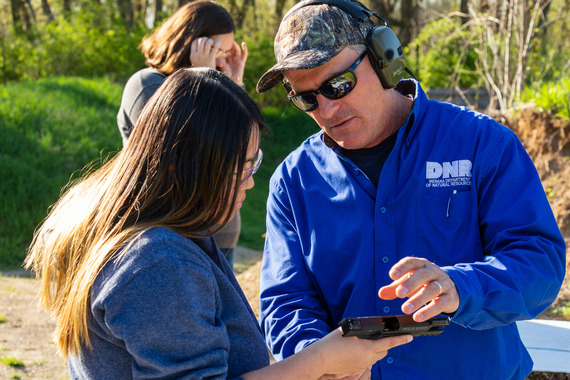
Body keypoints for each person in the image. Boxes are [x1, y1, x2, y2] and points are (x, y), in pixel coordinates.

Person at [25, 67, 412, 379]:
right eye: (242, 167)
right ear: (181, 165)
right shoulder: (157, 263)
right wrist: (321, 360)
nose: (251, 180)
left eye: (254, 161)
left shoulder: (148, 234)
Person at [255, 1, 567, 379]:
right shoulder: (293, 180)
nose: (326, 111)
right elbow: (286, 301)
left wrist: (461, 286)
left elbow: (540, 264)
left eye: (338, 86)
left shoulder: (482, 144)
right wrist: (318, 361)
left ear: (384, 57)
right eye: (306, 98)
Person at [117, 0, 248, 267]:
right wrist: (203, 77)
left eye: (226, 52)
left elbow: (244, 150)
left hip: (220, 231)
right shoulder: (147, 84)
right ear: (192, 43)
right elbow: (189, 151)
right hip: (168, 230)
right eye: (217, 51)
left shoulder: (218, 84)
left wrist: (235, 85)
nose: (223, 61)